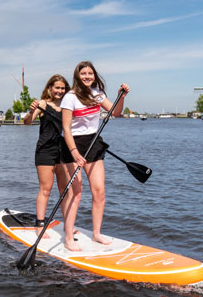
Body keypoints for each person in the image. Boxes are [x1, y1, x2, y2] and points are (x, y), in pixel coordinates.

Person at [60, 61, 129, 251]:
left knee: (99, 192)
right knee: (77, 192)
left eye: (90, 73)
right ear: (78, 76)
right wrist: (74, 152)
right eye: (83, 74)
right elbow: (66, 128)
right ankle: (68, 238)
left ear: (94, 75)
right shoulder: (70, 97)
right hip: (72, 144)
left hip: (94, 142)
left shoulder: (98, 94)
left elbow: (115, 112)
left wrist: (120, 97)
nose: (87, 76)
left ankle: (97, 234)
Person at [23, 74, 70, 238]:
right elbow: (27, 122)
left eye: (63, 88)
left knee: (65, 190)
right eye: (57, 87)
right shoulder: (42, 103)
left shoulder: (67, 106)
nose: (60, 91)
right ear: (50, 88)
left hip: (63, 151)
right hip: (45, 151)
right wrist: (30, 112)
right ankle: (39, 226)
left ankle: (67, 226)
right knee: (46, 189)